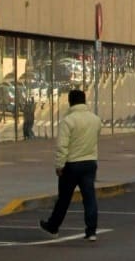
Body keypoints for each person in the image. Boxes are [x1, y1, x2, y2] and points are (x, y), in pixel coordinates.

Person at [40, 89, 102, 242]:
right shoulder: (95, 119)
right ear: (84, 101)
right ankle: (91, 231)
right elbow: (95, 139)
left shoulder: (68, 121)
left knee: (64, 199)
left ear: (70, 102)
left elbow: (62, 146)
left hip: (72, 165)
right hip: (90, 163)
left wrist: (59, 165)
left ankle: (53, 226)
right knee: (89, 198)